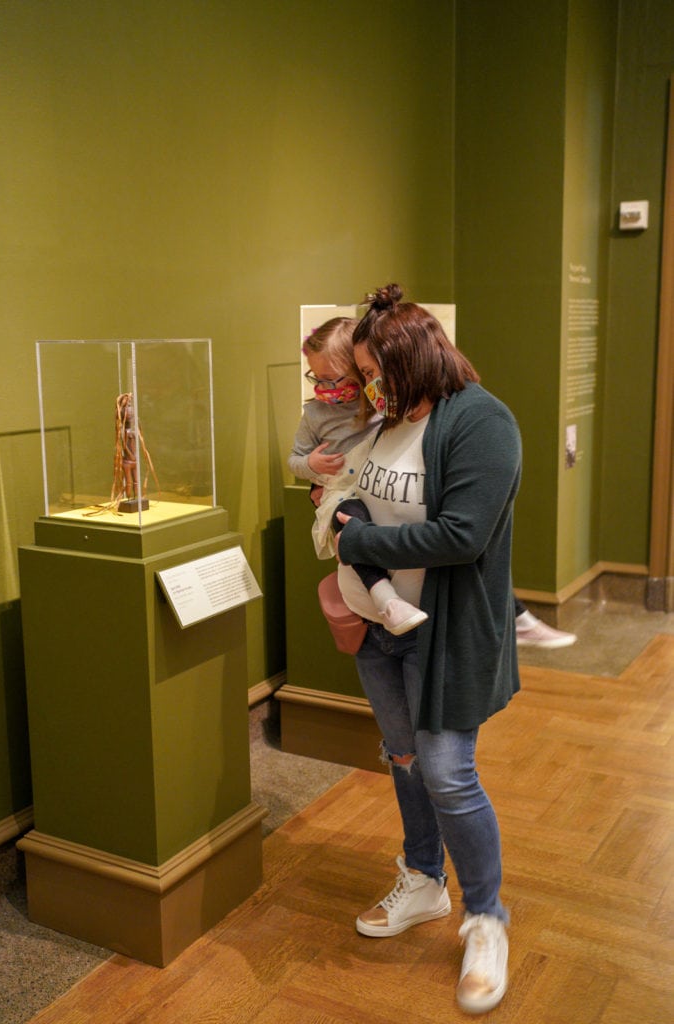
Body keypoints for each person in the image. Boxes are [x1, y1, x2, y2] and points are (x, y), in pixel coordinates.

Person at [334, 284, 521, 1015]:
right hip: (382, 630)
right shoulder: (385, 418)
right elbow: (359, 489)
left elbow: (460, 535)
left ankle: (486, 918)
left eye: (373, 371)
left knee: (447, 773)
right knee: (404, 757)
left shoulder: (481, 422)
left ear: (411, 360)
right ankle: (423, 879)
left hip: (444, 635)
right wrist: (346, 509)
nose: (365, 386)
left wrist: (356, 538)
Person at [288, 317, 427, 635]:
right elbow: (294, 459)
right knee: (350, 527)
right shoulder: (314, 414)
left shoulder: (380, 403)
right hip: (343, 493)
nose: (323, 388)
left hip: (386, 489)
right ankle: (386, 599)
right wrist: (311, 466)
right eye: (316, 378)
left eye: (332, 379)